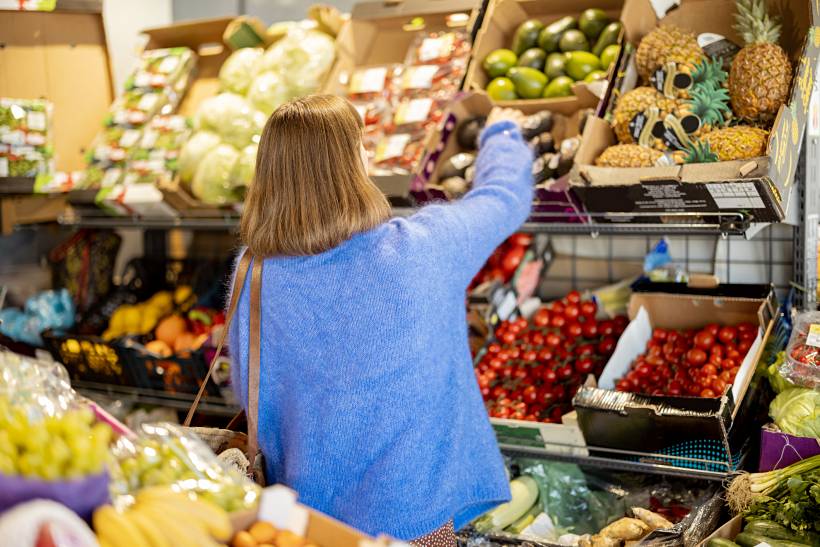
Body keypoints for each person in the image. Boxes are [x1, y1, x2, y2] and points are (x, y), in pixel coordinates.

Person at [229, 94, 533, 545]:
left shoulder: (254, 272)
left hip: (307, 524)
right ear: (354, 162)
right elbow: (503, 198)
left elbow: (250, 390)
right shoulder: (423, 249)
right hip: (414, 521)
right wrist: (501, 135)